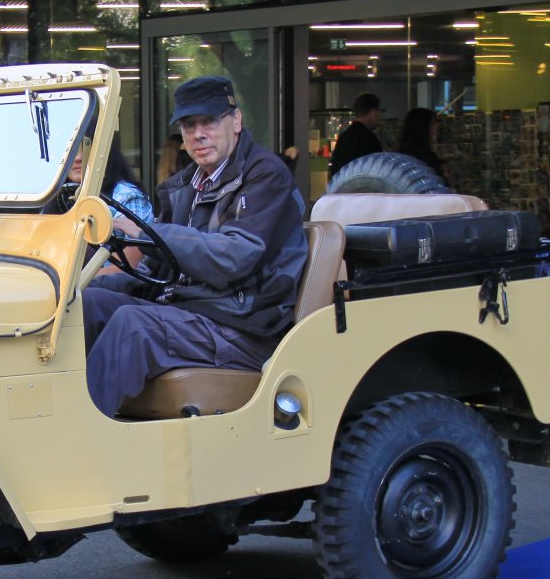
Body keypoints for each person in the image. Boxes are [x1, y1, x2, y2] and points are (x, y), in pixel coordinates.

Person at [82, 75, 308, 418]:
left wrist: (151, 234)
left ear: (236, 121)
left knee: (134, 325)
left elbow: (234, 257)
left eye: (209, 121)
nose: (199, 134)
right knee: (86, 304)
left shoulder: (266, 176)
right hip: (190, 312)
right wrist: (84, 287)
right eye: (189, 125)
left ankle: (77, 436)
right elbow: (155, 272)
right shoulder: (184, 186)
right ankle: (42, 422)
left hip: (243, 324)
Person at [68, 135, 152, 220]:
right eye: (72, 151)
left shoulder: (125, 197)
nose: (78, 158)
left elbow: (131, 228)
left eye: (88, 149)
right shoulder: (61, 195)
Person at [329, 92, 383, 177]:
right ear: (373, 113)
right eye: (378, 113)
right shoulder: (369, 139)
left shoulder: (344, 137)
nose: (379, 118)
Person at [394, 106, 450, 186]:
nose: (437, 127)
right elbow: (440, 186)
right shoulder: (426, 157)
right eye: (434, 123)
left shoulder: (401, 154)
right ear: (424, 127)